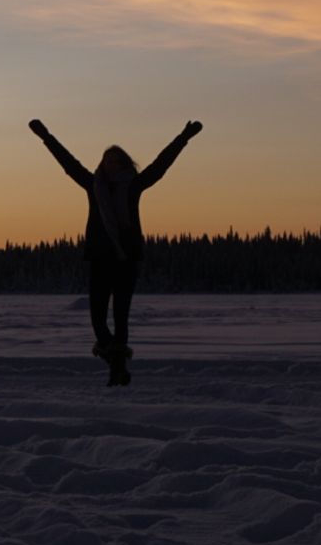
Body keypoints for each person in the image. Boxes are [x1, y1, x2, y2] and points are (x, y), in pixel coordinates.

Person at [31, 116, 203, 381]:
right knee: (98, 320)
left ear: (124, 164)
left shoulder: (134, 185)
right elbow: (68, 162)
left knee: (121, 318)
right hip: (100, 259)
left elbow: (161, 165)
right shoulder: (93, 185)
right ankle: (115, 358)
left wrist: (184, 137)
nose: (111, 165)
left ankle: (118, 370)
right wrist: (45, 136)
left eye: (116, 161)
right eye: (107, 161)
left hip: (126, 259)